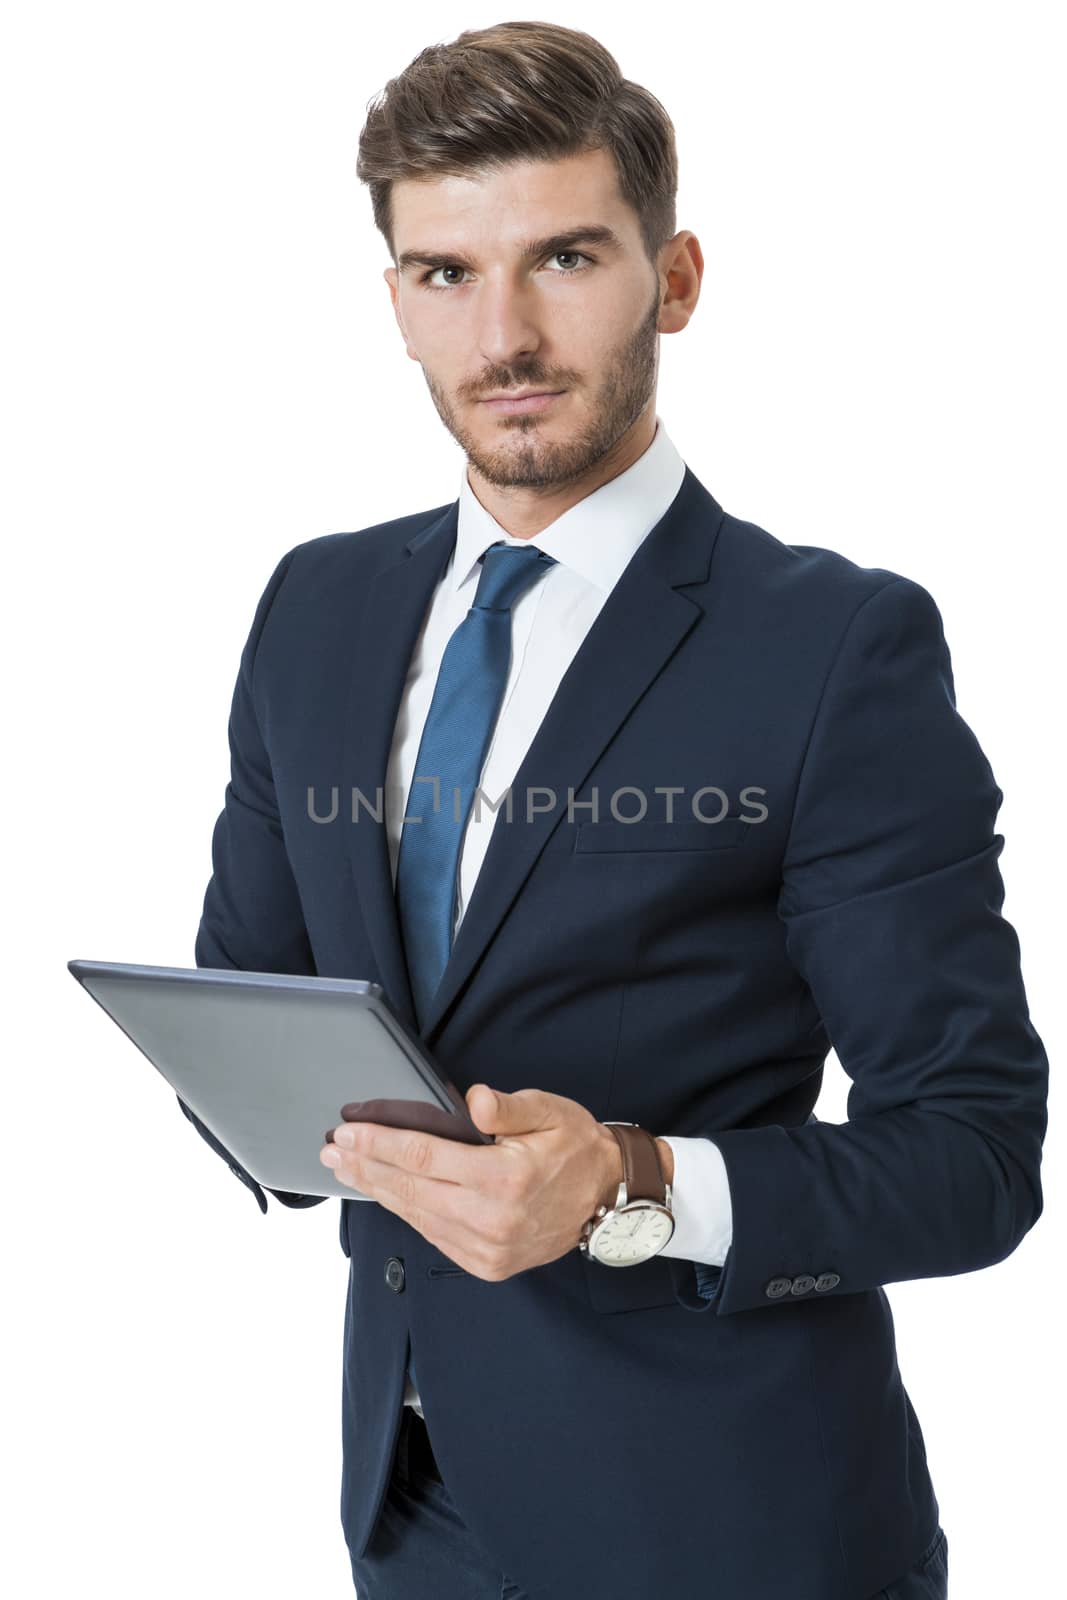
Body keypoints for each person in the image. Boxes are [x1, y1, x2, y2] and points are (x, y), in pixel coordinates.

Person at [179, 20, 1047, 1599]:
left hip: (730, 1525)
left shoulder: (834, 649)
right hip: (411, 1506)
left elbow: (975, 1155)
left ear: (679, 277)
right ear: (396, 302)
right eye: (446, 273)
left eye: (564, 257)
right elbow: (253, 1017)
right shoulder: (315, 607)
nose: (503, 332)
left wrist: (634, 1184)